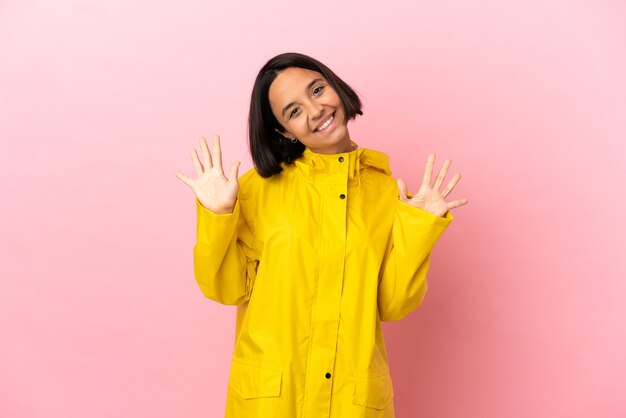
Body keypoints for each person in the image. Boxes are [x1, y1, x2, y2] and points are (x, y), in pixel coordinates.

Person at [175, 52, 468, 418]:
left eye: (317, 89)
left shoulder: (386, 192)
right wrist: (218, 214)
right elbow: (224, 288)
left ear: (336, 87)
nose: (315, 110)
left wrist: (419, 227)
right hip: (273, 401)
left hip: (351, 399)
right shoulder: (256, 190)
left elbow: (393, 305)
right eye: (293, 111)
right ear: (283, 130)